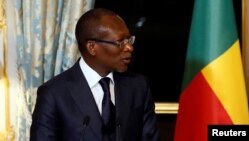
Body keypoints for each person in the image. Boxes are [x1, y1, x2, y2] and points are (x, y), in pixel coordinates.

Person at [30, 8, 161, 141]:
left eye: (129, 40)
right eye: (120, 42)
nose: (129, 47)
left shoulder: (138, 87)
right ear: (92, 47)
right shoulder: (54, 94)